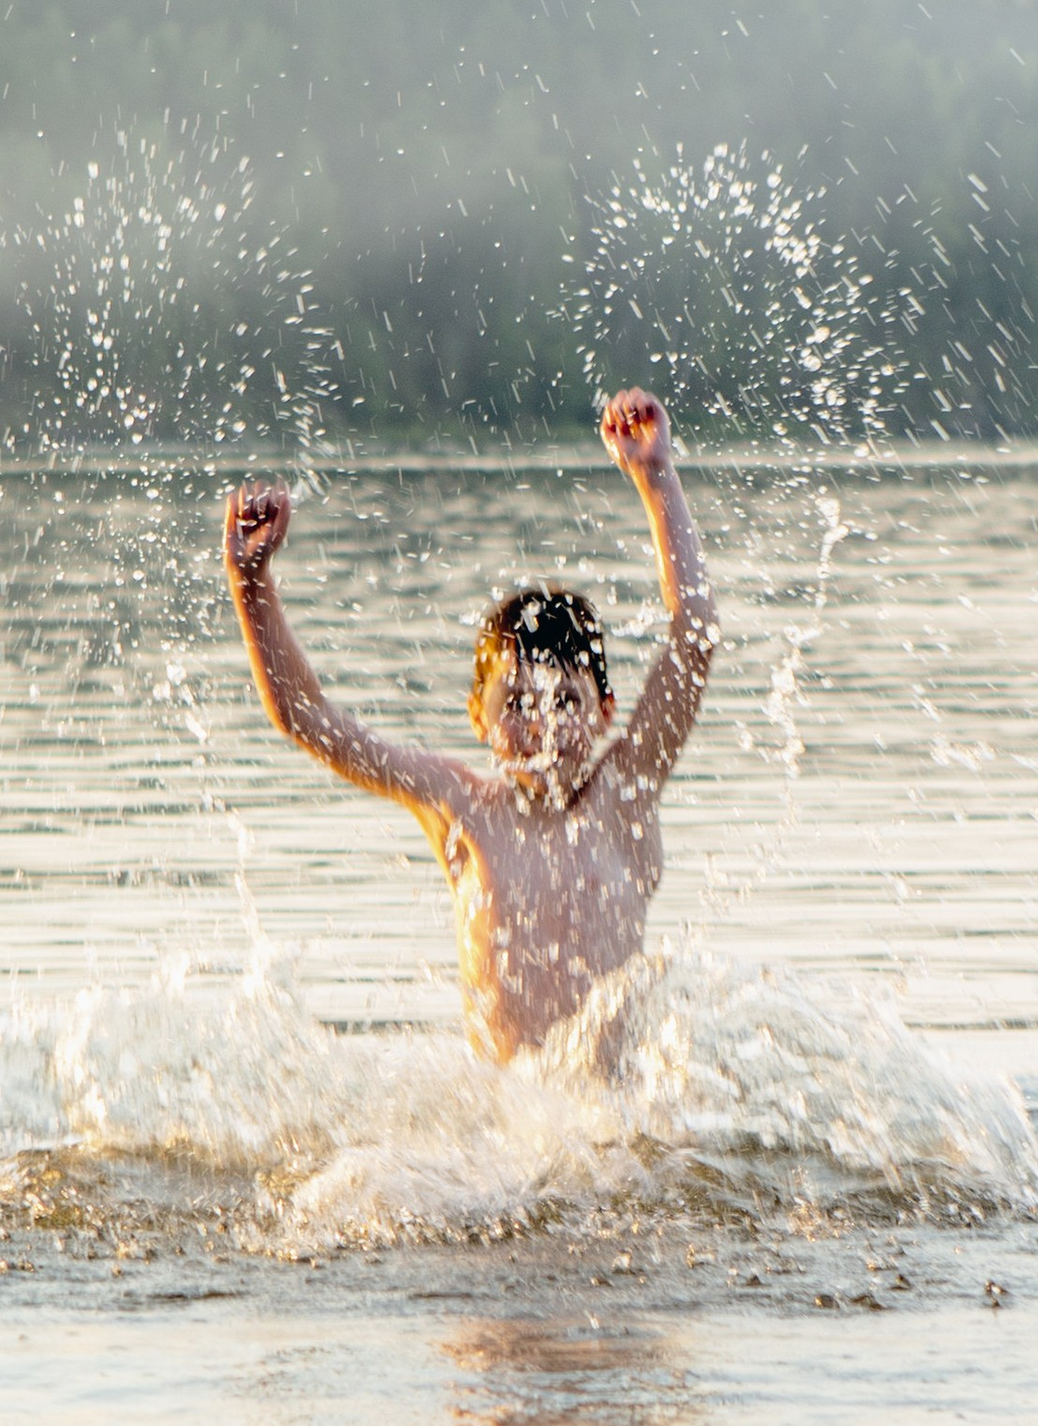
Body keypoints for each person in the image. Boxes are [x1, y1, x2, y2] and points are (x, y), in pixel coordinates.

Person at [223, 388, 715, 1059]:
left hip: (615, 1135)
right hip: (500, 1133)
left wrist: (656, 479)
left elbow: (696, 636)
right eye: (516, 703)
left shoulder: (625, 795)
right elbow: (307, 719)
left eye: (565, 702)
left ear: (606, 713)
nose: (542, 725)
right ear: (476, 719)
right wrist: (251, 587)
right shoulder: (461, 809)